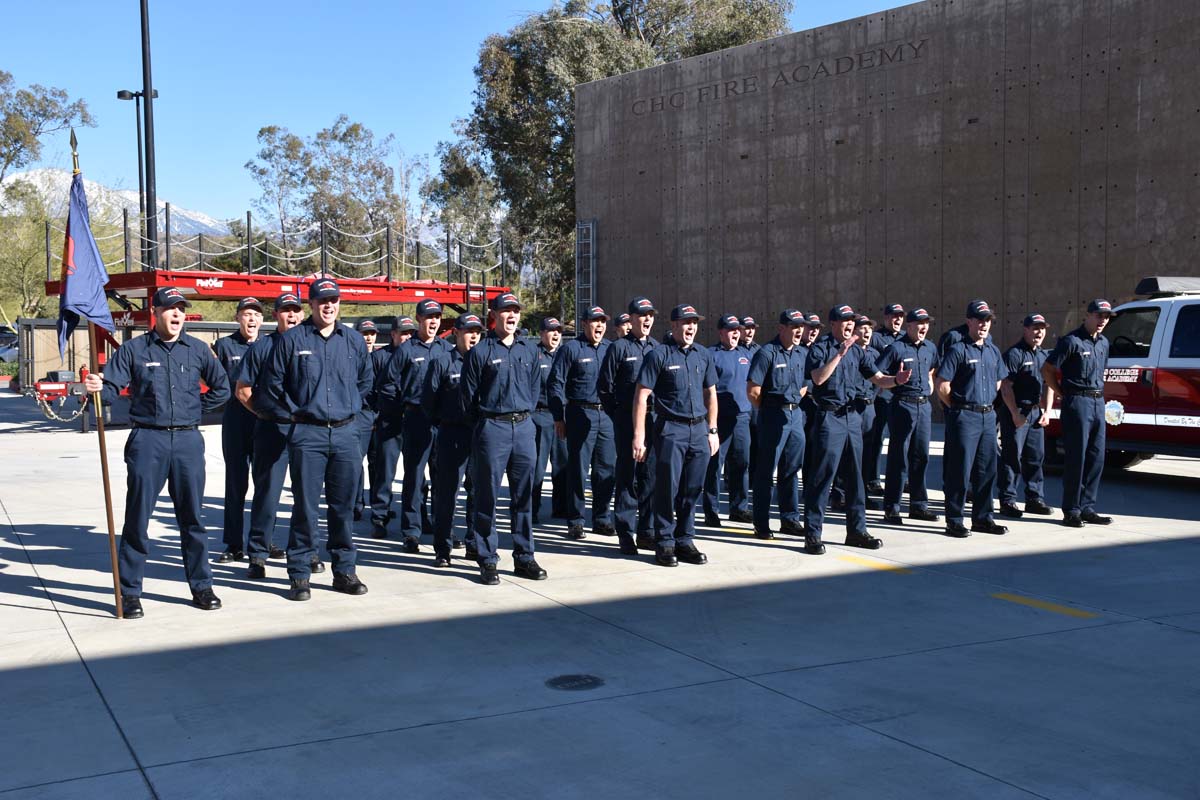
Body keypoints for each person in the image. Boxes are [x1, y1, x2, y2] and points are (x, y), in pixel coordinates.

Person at [83, 287, 230, 618]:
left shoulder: (198, 350)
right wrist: (96, 387)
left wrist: (195, 410)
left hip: (189, 442)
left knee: (193, 518)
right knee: (138, 518)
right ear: (156, 312)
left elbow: (222, 387)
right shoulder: (134, 350)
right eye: (170, 309)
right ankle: (131, 592)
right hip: (148, 441)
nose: (177, 314)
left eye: (181, 309)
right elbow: (110, 388)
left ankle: (202, 585)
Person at [264, 278, 373, 601]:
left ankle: (344, 570)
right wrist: (295, 415)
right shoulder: (293, 340)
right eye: (322, 300)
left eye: (334, 300)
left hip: (345, 433)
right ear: (310, 304)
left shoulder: (353, 341)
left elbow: (365, 382)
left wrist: (349, 411)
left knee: (342, 507)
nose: (329, 305)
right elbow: (273, 384)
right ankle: (299, 573)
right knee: (305, 507)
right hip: (307, 434)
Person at [803, 305, 912, 554]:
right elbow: (818, 378)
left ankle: (856, 531)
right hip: (829, 417)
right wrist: (839, 354)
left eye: (851, 320)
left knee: (856, 478)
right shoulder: (821, 348)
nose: (849, 325)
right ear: (833, 324)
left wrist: (896, 380)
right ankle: (812, 534)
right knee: (822, 477)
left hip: (852, 417)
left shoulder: (859, 353)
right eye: (844, 321)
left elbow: (877, 378)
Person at [460, 291, 546, 585]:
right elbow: (468, 400)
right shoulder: (479, 353)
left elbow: (535, 391)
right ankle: (487, 558)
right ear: (493, 315)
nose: (511, 316)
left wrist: (522, 417)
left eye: (516, 311)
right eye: (506, 311)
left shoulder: (529, 350)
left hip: (523, 428)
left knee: (524, 496)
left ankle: (525, 556)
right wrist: (488, 421)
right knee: (488, 497)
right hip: (491, 429)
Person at [235, 292, 316, 579]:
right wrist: (265, 414)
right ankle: (257, 555)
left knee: (306, 495)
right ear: (276, 315)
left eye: (296, 310)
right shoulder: (262, 347)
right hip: (273, 429)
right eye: (285, 311)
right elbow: (242, 389)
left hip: (309, 431)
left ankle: (309, 551)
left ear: (303, 315)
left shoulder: (313, 343)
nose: (291, 315)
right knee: (268, 494)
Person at [632, 303, 718, 567]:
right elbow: (642, 396)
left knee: (692, 489)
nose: (691, 327)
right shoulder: (659, 355)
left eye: (694, 322)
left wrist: (713, 430)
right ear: (673, 326)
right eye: (685, 322)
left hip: (699, 429)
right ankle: (665, 542)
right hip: (671, 429)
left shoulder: (702, 355)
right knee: (667, 489)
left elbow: (711, 393)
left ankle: (685, 539)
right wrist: (639, 436)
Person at [372, 299, 451, 549]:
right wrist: (401, 409)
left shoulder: (445, 349)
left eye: (437, 316)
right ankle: (411, 530)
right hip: (415, 418)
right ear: (419, 319)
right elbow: (387, 383)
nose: (434, 321)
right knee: (415, 476)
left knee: (442, 476)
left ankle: (441, 526)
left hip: (442, 422)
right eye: (429, 316)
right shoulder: (407, 349)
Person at [935, 300, 1011, 537]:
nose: (984, 324)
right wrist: (958, 408)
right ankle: (955, 519)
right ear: (969, 321)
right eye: (979, 319)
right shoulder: (958, 349)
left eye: (987, 320)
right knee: (960, 470)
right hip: (964, 415)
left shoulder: (993, 350)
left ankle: (983, 518)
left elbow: (999, 381)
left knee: (987, 470)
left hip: (988, 416)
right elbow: (942, 385)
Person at [1043, 299, 1115, 527]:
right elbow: (1047, 369)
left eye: (1106, 317)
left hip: (1097, 401)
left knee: (1097, 456)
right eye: (1099, 316)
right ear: (1088, 315)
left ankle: (1087, 507)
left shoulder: (1104, 343)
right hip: (1078, 401)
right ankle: (1071, 509)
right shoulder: (1071, 341)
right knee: (1077, 457)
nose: (1103, 320)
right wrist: (1060, 391)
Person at [547, 305, 616, 540]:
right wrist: (559, 417)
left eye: (602, 321)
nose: (599, 326)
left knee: (606, 469)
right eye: (595, 321)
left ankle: (602, 518)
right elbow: (555, 383)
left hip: (607, 416)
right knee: (577, 469)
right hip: (579, 413)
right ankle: (575, 520)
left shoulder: (610, 348)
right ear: (584, 323)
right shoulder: (571, 349)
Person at [599, 296, 660, 554]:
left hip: (653, 421)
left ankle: (647, 532)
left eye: (650, 315)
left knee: (650, 477)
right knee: (627, 476)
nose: (647, 319)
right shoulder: (619, 348)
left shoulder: (658, 348)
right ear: (631, 319)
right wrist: (619, 416)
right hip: (625, 420)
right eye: (642, 315)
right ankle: (625, 532)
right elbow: (605, 388)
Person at [424, 313, 483, 567]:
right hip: (451, 433)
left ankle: (473, 544)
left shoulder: (485, 361)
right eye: (468, 331)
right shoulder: (441, 362)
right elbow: (429, 401)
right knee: (447, 493)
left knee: (477, 493)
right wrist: (445, 422)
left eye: (477, 332)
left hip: (479, 434)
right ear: (456, 333)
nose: (473, 336)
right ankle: (443, 548)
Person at [746, 309, 810, 540]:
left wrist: (793, 402)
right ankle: (761, 523)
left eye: (800, 326)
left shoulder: (802, 353)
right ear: (781, 328)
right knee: (766, 472)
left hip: (795, 417)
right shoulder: (767, 353)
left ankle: (790, 519)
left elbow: (805, 385)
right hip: (772, 416)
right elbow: (753, 391)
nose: (799, 331)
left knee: (792, 470)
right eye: (794, 326)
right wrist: (770, 410)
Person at [874, 307, 941, 525]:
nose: (924, 327)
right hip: (902, 405)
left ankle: (918, 506)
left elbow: (933, 368)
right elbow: (876, 374)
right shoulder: (896, 348)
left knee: (921, 457)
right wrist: (896, 379)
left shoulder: (930, 347)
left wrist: (930, 385)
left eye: (926, 323)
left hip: (924, 406)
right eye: (919, 323)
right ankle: (892, 507)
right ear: (909, 326)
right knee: (898, 458)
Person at [213, 296, 263, 563]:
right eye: (246, 314)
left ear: (262, 320)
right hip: (235, 421)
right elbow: (212, 380)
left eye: (256, 314)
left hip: (263, 422)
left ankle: (262, 542)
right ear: (237, 318)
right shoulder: (224, 346)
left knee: (265, 485)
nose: (251, 319)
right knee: (236, 484)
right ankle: (233, 544)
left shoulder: (270, 345)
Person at [997, 313, 1055, 518]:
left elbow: (1050, 385)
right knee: (1012, 457)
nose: (1039, 332)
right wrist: (1014, 414)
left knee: (1035, 458)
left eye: (1042, 328)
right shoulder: (1014, 354)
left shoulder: (1044, 355)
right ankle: (1008, 500)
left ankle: (1034, 499)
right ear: (1026, 330)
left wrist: (1047, 411)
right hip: (1017, 412)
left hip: (1036, 414)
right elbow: (1005, 387)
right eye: (1035, 328)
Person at [367, 316, 416, 533]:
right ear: (393, 334)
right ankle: (379, 516)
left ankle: (419, 512)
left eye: (410, 333)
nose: (406, 337)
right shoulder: (379, 357)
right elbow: (372, 389)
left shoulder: (418, 353)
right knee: (385, 470)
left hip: (415, 420)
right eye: (403, 333)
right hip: (389, 419)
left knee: (415, 472)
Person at [702, 313, 752, 526]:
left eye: (737, 330)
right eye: (731, 330)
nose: (735, 333)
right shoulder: (711, 355)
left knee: (741, 464)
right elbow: (705, 390)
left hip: (742, 419)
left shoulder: (745, 354)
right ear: (721, 332)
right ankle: (711, 510)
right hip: (719, 419)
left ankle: (739, 508)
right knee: (715, 467)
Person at [830, 315, 879, 511]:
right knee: (846, 455)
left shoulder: (873, 354)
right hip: (852, 407)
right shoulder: (845, 351)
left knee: (865, 455)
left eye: (869, 329)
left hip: (870, 407)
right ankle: (840, 495)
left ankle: (861, 494)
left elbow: (879, 378)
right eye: (862, 329)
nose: (866, 333)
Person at [864, 303, 906, 495]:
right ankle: (873, 478)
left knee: (901, 440)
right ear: (885, 317)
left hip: (902, 396)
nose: (897, 320)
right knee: (876, 438)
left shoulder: (907, 337)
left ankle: (900, 478)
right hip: (881, 395)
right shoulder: (876, 337)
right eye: (893, 316)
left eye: (900, 316)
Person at [532, 317, 569, 523]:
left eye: (559, 331)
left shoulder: (564, 355)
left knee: (562, 464)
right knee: (537, 467)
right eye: (551, 330)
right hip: (541, 416)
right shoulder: (534, 355)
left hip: (562, 416)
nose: (556, 334)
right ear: (541, 333)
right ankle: (532, 509)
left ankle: (561, 508)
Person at [353, 318, 379, 522]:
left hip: (378, 414)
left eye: (372, 333)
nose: (368, 337)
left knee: (377, 463)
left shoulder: (382, 356)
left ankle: (379, 506)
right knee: (355, 462)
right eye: (364, 333)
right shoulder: (350, 356)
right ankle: (356, 504)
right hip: (359, 414)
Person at [740, 316, 762, 483]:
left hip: (755, 404)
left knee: (756, 443)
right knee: (739, 448)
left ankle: (754, 478)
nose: (749, 331)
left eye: (752, 328)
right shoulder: (734, 349)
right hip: (739, 405)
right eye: (746, 328)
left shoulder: (759, 350)